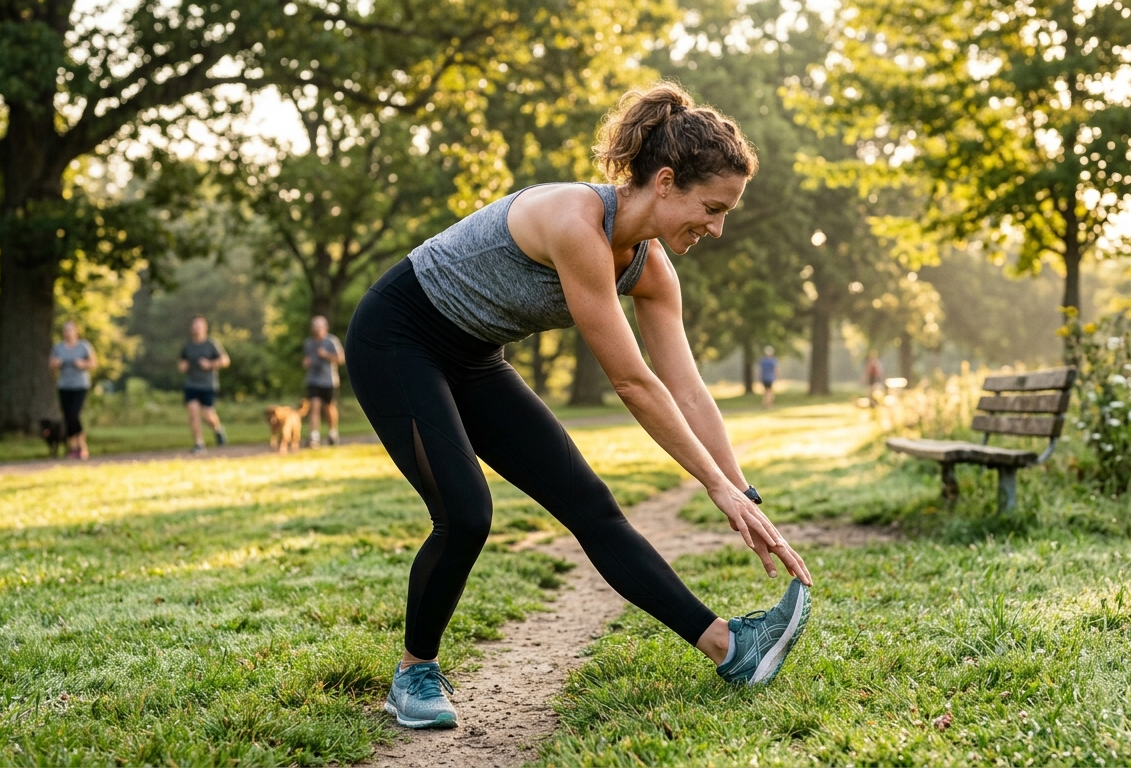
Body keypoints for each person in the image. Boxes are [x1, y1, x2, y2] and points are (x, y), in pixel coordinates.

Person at [345, 81, 814, 731]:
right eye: (710, 208)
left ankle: (733, 649)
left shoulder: (650, 270)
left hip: (474, 357)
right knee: (466, 511)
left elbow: (685, 386)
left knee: (592, 507)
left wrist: (740, 492)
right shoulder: (575, 221)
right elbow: (633, 382)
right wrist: (713, 488)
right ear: (666, 181)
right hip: (398, 337)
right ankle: (413, 672)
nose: (717, 227)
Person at [178, 315, 230, 454]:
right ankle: (199, 444)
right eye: (194, 325)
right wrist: (183, 366)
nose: (196, 328)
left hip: (208, 384)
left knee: (207, 415)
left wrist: (210, 364)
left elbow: (225, 360)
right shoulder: (187, 346)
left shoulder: (211, 344)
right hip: (191, 384)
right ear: (191, 328)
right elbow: (182, 362)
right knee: (193, 413)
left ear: (204, 328)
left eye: (199, 325)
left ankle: (218, 429)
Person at [49, 320, 97, 460]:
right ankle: (73, 448)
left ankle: (81, 445)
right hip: (64, 385)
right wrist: (56, 363)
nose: (68, 333)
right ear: (63, 333)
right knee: (67, 417)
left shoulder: (83, 346)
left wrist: (82, 364)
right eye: (65, 330)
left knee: (73, 414)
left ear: (76, 331)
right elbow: (51, 364)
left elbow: (93, 363)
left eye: (70, 330)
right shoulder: (58, 348)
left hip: (80, 385)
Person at [302, 315, 346, 448]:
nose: (317, 329)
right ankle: (314, 437)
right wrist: (306, 362)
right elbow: (305, 360)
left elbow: (341, 360)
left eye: (319, 326)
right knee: (314, 407)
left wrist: (326, 355)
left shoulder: (332, 341)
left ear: (325, 327)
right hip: (313, 380)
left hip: (329, 381)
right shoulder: (309, 343)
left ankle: (333, 433)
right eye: (314, 326)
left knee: (329, 408)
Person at [758, 345, 778, 410]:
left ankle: (765, 402)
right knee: (770, 391)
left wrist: (759, 377)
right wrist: (778, 377)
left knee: (766, 391)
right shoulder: (772, 361)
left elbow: (760, 370)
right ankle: (769, 404)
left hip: (764, 378)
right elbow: (775, 370)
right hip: (770, 378)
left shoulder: (763, 361)